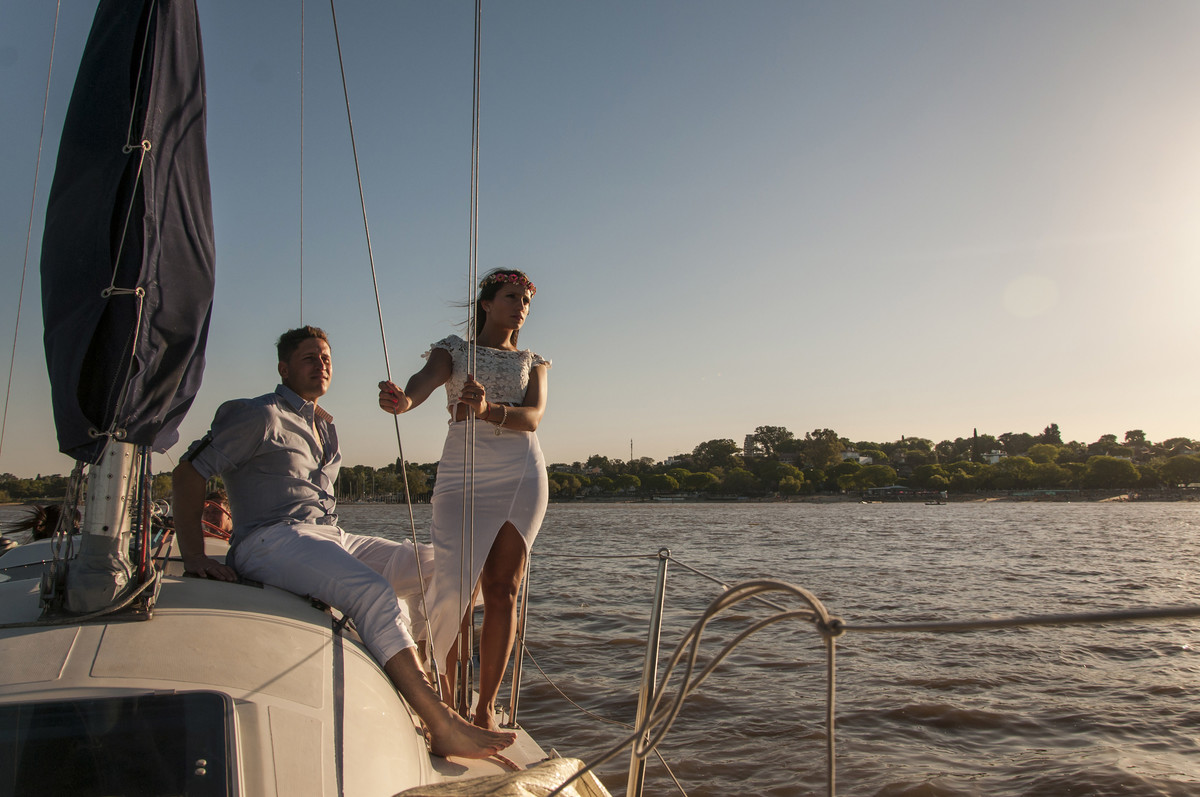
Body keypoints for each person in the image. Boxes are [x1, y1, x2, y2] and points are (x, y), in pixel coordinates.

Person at [172, 325, 514, 759]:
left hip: (330, 535)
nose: (321, 365)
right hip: (270, 538)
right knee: (372, 591)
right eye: (309, 358)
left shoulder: (324, 424)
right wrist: (195, 555)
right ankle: (440, 720)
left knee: (454, 569)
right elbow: (189, 471)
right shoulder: (258, 415)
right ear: (283, 368)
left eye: (326, 359)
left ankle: (420, 675)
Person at [378, 268, 549, 731]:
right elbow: (422, 383)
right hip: (462, 469)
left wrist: (488, 409)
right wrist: (402, 402)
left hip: (520, 471)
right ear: (487, 303)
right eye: (511, 297)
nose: (521, 307)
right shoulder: (454, 350)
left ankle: (485, 708)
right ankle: (447, 700)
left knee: (503, 588)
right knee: (454, 586)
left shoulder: (533, 361)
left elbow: (533, 417)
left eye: (526, 301)